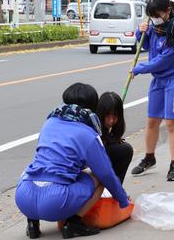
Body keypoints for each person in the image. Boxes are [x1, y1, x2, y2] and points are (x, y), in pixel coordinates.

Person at [15, 83, 129, 239]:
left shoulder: (49, 123)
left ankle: (32, 223)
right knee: (99, 177)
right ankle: (74, 224)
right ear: (93, 108)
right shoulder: (88, 133)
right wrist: (122, 200)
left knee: (33, 169)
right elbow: (106, 173)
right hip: (55, 203)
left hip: (23, 198)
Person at [130, 0, 174, 181]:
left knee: (172, 123)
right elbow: (147, 45)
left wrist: (140, 68)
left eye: (157, 15)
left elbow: (165, 59)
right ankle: (149, 158)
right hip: (159, 79)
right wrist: (141, 32)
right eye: (152, 16)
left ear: (168, 10)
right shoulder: (156, 25)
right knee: (152, 121)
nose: (155, 19)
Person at [97, 92, 134, 184]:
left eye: (115, 116)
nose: (111, 120)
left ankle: (115, 189)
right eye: (108, 115)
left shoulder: (109, 133)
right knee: (125, 150)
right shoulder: (93, 128)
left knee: (123, 148)